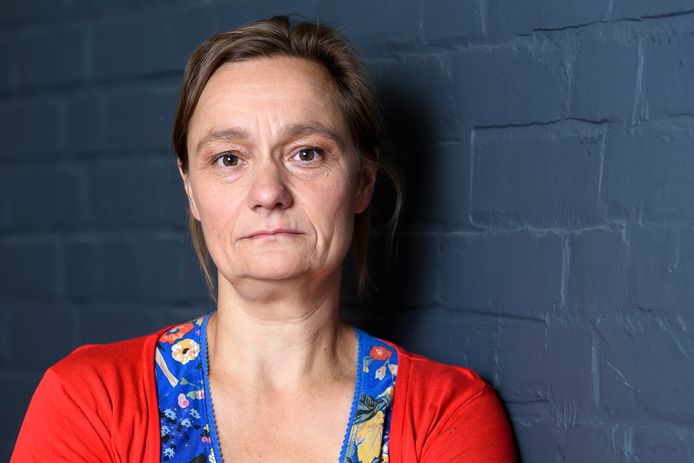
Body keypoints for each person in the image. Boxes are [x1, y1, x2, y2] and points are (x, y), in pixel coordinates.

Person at [11, 15, 516, 463]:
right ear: (191, 189)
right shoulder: (91, 401)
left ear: (363, 181)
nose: (269, 192)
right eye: (229, 158)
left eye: (306, 153)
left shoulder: (445, 415)